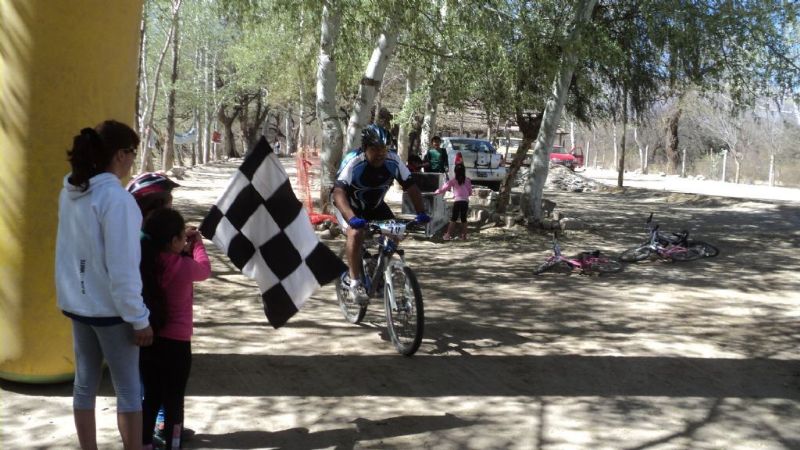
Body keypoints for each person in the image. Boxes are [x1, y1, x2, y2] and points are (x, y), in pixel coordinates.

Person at [55, 120, 153, 450]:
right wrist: (139, 318)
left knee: (85, 384)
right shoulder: (117, 199)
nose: (133, 160)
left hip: (77, 304)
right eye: (132, 153)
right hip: (112, 311)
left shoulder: (70, 190)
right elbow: (123, 269)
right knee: (128, 391)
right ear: (120, 155)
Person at [332, 124, 430, 304]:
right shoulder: (354, 160)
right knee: (356, 233)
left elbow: (411, 186)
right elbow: (338, 192)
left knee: (395, 232)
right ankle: (354, 283)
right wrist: (352, 218)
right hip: (349, 207)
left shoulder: (393, 160)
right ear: (364, 148)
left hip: (376, 206)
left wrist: (421, 212)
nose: (380, 154)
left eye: (384, 149)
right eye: (374, 149)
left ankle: (375, 265)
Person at [139, 208, 210, 450]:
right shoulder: (184, 267)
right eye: (182, 235)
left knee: (151, 398)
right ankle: (173, 444)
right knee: (174, 401)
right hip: (177, 346)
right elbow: (204, 269)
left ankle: (144, 443)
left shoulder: (146, 262)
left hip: (149, 341)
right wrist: (198, 244)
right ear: (173, 241)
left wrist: (183, 242)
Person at [434, 161, 472, 240]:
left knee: (453, 219)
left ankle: (448, 235)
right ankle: (464, 236)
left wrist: (437, 192)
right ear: (464, 171)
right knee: (464, 219)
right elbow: (470, 192)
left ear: (455, 172)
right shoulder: (468, 180)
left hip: (457, 201)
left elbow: (444, 188)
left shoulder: (453, 180)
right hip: (465, 202)